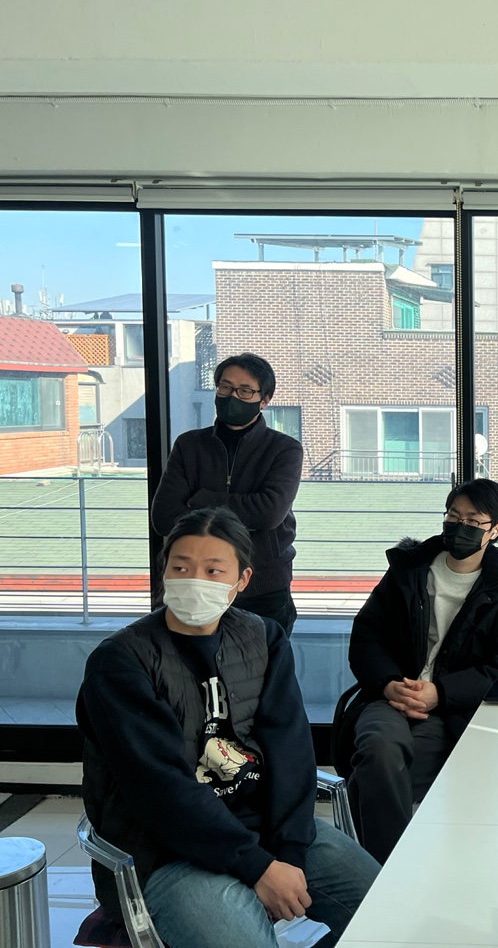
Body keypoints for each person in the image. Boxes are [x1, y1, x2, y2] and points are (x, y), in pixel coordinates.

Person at [76, 507, 378, 948]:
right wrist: (257, 867)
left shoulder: (264, 639)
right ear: (163, 571)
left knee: (393, 915)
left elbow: (291, 752)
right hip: (168, 852)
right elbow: (159, 789)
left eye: (213, 570)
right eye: (181, 567)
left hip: (268, 832)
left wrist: (288, 854)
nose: (194, 580)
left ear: (243, 579)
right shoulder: (120, 661)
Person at [343, 478, 498, 863]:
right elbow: (367, 635)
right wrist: (389, 684)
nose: (459, 527)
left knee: (383, 773)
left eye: (473, 521)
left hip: (451, 711)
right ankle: (394, 870)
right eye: (453, 517)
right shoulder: (409, 570)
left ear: (496, 530)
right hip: (390, 697)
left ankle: (378, 868)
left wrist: (442, 693)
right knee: (380, 750)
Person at [152, 353, 303, 633]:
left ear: (264, 400)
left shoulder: (284, 449)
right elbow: (164, 516)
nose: (233, 396)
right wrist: (243, 510)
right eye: (225, 387)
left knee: (263, 659)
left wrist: (201, 499)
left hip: (264, 588)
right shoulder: (189, 445)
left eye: (245, 391)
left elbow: (269, 512)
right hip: (194, 586)